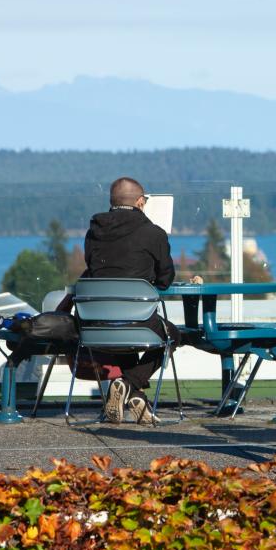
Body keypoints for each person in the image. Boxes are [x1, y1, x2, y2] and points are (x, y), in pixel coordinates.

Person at [83, 176, 181, 425]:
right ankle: (128, 384)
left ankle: (135, 396)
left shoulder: (93, 232)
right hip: (138, 323)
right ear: (140, 202)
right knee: (173, 335)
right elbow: (165, 280)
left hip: (96, 326)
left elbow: (92, 270)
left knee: (123, 332)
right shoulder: (153, 234)